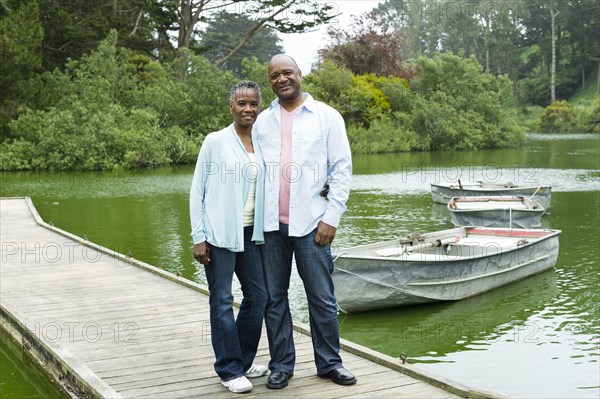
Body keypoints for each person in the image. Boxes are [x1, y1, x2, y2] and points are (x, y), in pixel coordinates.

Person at [253, 54, 355, 389]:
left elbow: (341, 170)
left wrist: (332, 218)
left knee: (322, 298)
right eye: (273, 76)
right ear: (269, 81)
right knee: (274, 298)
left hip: (313, 224)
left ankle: (330, 363)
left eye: (286, 73)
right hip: (270, 227)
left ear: (299, 74)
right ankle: (281, 364)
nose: (281, 79)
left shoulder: (326, 117)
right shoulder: (262, 121)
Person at [189, 81, 268, 394]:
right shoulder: (216, 141)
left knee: (258, 296)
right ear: (231, 106)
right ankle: (228, 368)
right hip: (219, 234)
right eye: (241, 103)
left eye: (253, 104)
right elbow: (198, 191)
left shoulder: (261, 142)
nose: (247, 109)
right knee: (221, 300)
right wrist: (199, 236)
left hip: (251, 234)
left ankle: (243, 361)